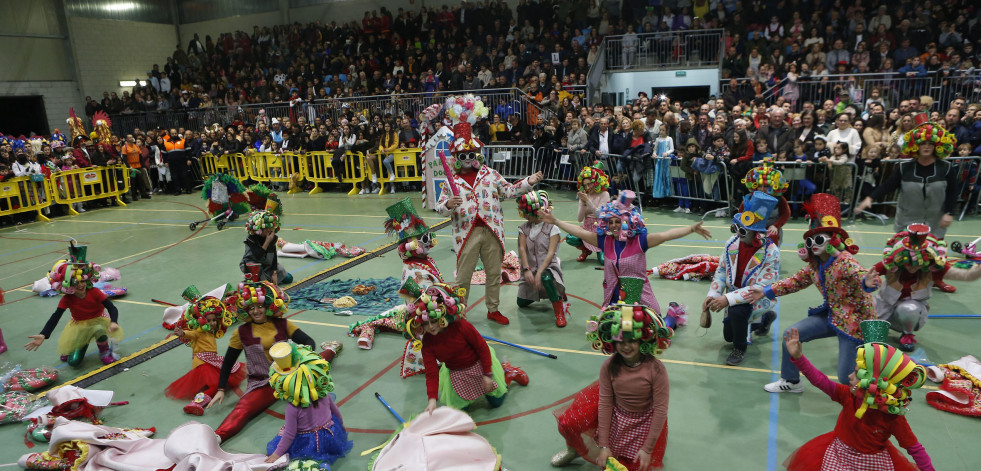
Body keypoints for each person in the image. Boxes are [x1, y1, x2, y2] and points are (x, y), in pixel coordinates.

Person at [749, 194, 878, 393]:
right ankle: (792, 381)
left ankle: (863, 397)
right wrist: (766, 291)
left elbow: (858, 273)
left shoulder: (844, 261)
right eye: (810, 241)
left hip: (855, 323)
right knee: (791, 335)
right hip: (832, 315)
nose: (813, 244)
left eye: (818, 239)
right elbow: (796, 281)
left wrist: (866, 282)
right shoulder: (814, 264)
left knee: (846, 379)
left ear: (833, 240)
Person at [435, 95, 543, 326]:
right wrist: (447, 206)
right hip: (466, 233)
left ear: (477, 154)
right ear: (455, 157)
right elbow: (440, 208)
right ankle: (459, 312)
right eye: (462, 155)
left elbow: (509, 190)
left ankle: (493, 309)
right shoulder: (450, 181)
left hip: (492, 230)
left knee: (494, 273)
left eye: (471, 154)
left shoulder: (490, 174)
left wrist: (529, 181)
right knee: (463, 277)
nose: (467, 158)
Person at [782, 320, 935, 471]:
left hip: (872, 464)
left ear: (873, 384)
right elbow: (820, 381)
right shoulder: (848, 395)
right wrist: (798, 357)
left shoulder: (892, 416)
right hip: (839, 456)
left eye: (856, 374)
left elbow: (914, 448)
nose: (849, 376)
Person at [208, 281, 336, 442]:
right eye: (251, 307)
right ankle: (217, 437)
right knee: (244, 408)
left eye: (260, 306)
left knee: (317, 363)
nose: (256, 311)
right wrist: (220, 388)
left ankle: (331, 349)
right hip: (262, 383)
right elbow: (228, 361)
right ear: (246, 309)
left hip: (288, 376)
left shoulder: (282, 324)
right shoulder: (240, 332)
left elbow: (309, 342)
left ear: (269, 305)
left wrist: (300, 365)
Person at [544, 191, 711, 314]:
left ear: (628, 222)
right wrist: (556, 221)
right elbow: (580, 232)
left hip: (639, 294)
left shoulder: (640, 241)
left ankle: (673, 314)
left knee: (658, 330)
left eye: (619, 221)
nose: (615, 225)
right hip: (614, 296)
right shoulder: (605, 241)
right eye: (611, 222)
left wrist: (691, 228)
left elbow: (665, 235)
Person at [551, 303, 672, 470]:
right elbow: (605, 404)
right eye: (620, 341)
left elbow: (660, 410)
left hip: (643, 420)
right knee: (568, 422)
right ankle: (574, 449)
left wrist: (647, 448)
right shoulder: (609, 366)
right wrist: (604, 445)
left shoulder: (656, 370)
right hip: (616, 411)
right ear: (613, 340)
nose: (626, 346)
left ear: (643, 339)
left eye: (632, 341)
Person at [855, 114, 960, 293]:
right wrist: (870, 198)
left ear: (936, 145)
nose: (926, 147)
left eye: (929, 144)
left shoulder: (946, 168)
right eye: (922, 144)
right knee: (904, 252)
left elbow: (953, 192)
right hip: (907, 219)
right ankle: (902, 282)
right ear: (915, 146)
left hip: (935, 219)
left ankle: (937, 280)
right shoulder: (905, 167)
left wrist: (949, 212)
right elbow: (888, 185)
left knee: (937, 254)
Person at [407, 283, 529, 414]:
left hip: (480, 364)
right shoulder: (427, 342)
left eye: (434, 321)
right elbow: (431, 372)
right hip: (456, 373)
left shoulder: (461, 326)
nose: (430, 327)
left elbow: (482, 348)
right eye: (425, 323)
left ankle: (507, 373)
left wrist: (487, 374)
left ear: (442, 316)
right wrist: (432, 400)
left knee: (496, 403)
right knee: (460, 411)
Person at [864, 224, 981, 351]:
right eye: (908, 265)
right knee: (866, 306)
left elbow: (966, 276)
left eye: (917, 266)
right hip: (884, 303)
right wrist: (865, 281)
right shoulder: (891, 263)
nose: (912, 268)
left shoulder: (933, 267)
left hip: (910, 308)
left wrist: (978, 271)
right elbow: (864, 273)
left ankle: (907, 334)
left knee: (908, 309)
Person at [704, 191, 781, 366]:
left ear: (755, 232)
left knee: (737, 313)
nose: (737, 233)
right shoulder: (732, 243)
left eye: (742, 230)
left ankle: (740, 348)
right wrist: (714, 294)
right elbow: (722, 270)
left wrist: (728, 299)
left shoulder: (771, 252)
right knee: (728, 335)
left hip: (758, 297)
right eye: (734, 228)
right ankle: (764, 320)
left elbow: (761, 286)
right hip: (734, 295)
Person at [25, 244, 123, 367]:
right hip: (80, 325)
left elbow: (111, 308)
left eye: (82, 281)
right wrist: (43, 334)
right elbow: (56, 316)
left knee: (99, 330)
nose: (80, 285)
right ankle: (74, 347)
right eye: (75, 283)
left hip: (98, 321)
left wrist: (114, 322)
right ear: (68, 285)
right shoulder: (68, 299)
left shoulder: (95, 292)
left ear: (87, 280)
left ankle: (104, 353)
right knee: (73, 362)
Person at [264, 341, 352, 465]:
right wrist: (340, 429)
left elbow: (289, 434)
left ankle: (318, 464)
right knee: (323, 455)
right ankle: (323, 465)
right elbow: (336, 413)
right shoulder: (323, 394)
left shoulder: (293, 408)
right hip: (329, 434)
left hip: (308, 442)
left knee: (287, 438)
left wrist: (276, 454)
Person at [164, 285, 245, 415]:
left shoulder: (210, 333)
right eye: (209, 320)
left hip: (210, 361)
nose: (213, 323)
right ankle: (195, 404)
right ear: (201, 321)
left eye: (214, 320)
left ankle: (201, 398)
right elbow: (190, 334)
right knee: (216, 385)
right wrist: (181, 333)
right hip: (203, 363)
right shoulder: (199, 332)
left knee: (219, 379)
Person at [516, 190, 569, 327]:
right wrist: (527, 269)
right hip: (530, 268)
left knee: (546, 278)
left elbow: (551, 253)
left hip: (548, 268)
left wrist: (539, 273)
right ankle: (558, 292)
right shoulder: (523, 228)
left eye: (527, 213)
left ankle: (559, 312)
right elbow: (522, 249)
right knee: (521, 303)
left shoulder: (552, 228)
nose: (524, 216)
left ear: (535, 211)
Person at [566, 162, 611, 263]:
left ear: (596, 182)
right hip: (586, 229)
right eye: (585, 185)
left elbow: (600, 215)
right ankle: (585, 250)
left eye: (589, 184)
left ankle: (601, 250)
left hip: (600, 230)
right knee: (570, 238)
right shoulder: (584, 196)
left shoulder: (605, 194)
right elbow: (579, 219)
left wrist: (588, 201)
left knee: (603, 261)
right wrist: (582, 203)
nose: (587, 188)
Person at [738, 158, 791, 244]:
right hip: (752, 227)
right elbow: (740, 214)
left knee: (772, 236)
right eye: (760, 186)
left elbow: (786, 214)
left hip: (771, 228)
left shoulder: (780, 199)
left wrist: (775, 226)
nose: (762, 189)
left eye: (766, 186)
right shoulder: (750, 198)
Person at [240, 210, 292, 285]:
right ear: (259, 228)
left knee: (289, 278)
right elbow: (258, 256)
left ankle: (269, 278)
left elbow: (273, 255)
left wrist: (274, 273)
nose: (268, 230)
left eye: (270, 227)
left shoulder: (272, 236)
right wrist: (267, 241)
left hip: (267, 264)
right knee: (263, 284)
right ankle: (255, 279)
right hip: (254, 264)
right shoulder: (251, 238)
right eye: (266, 228)